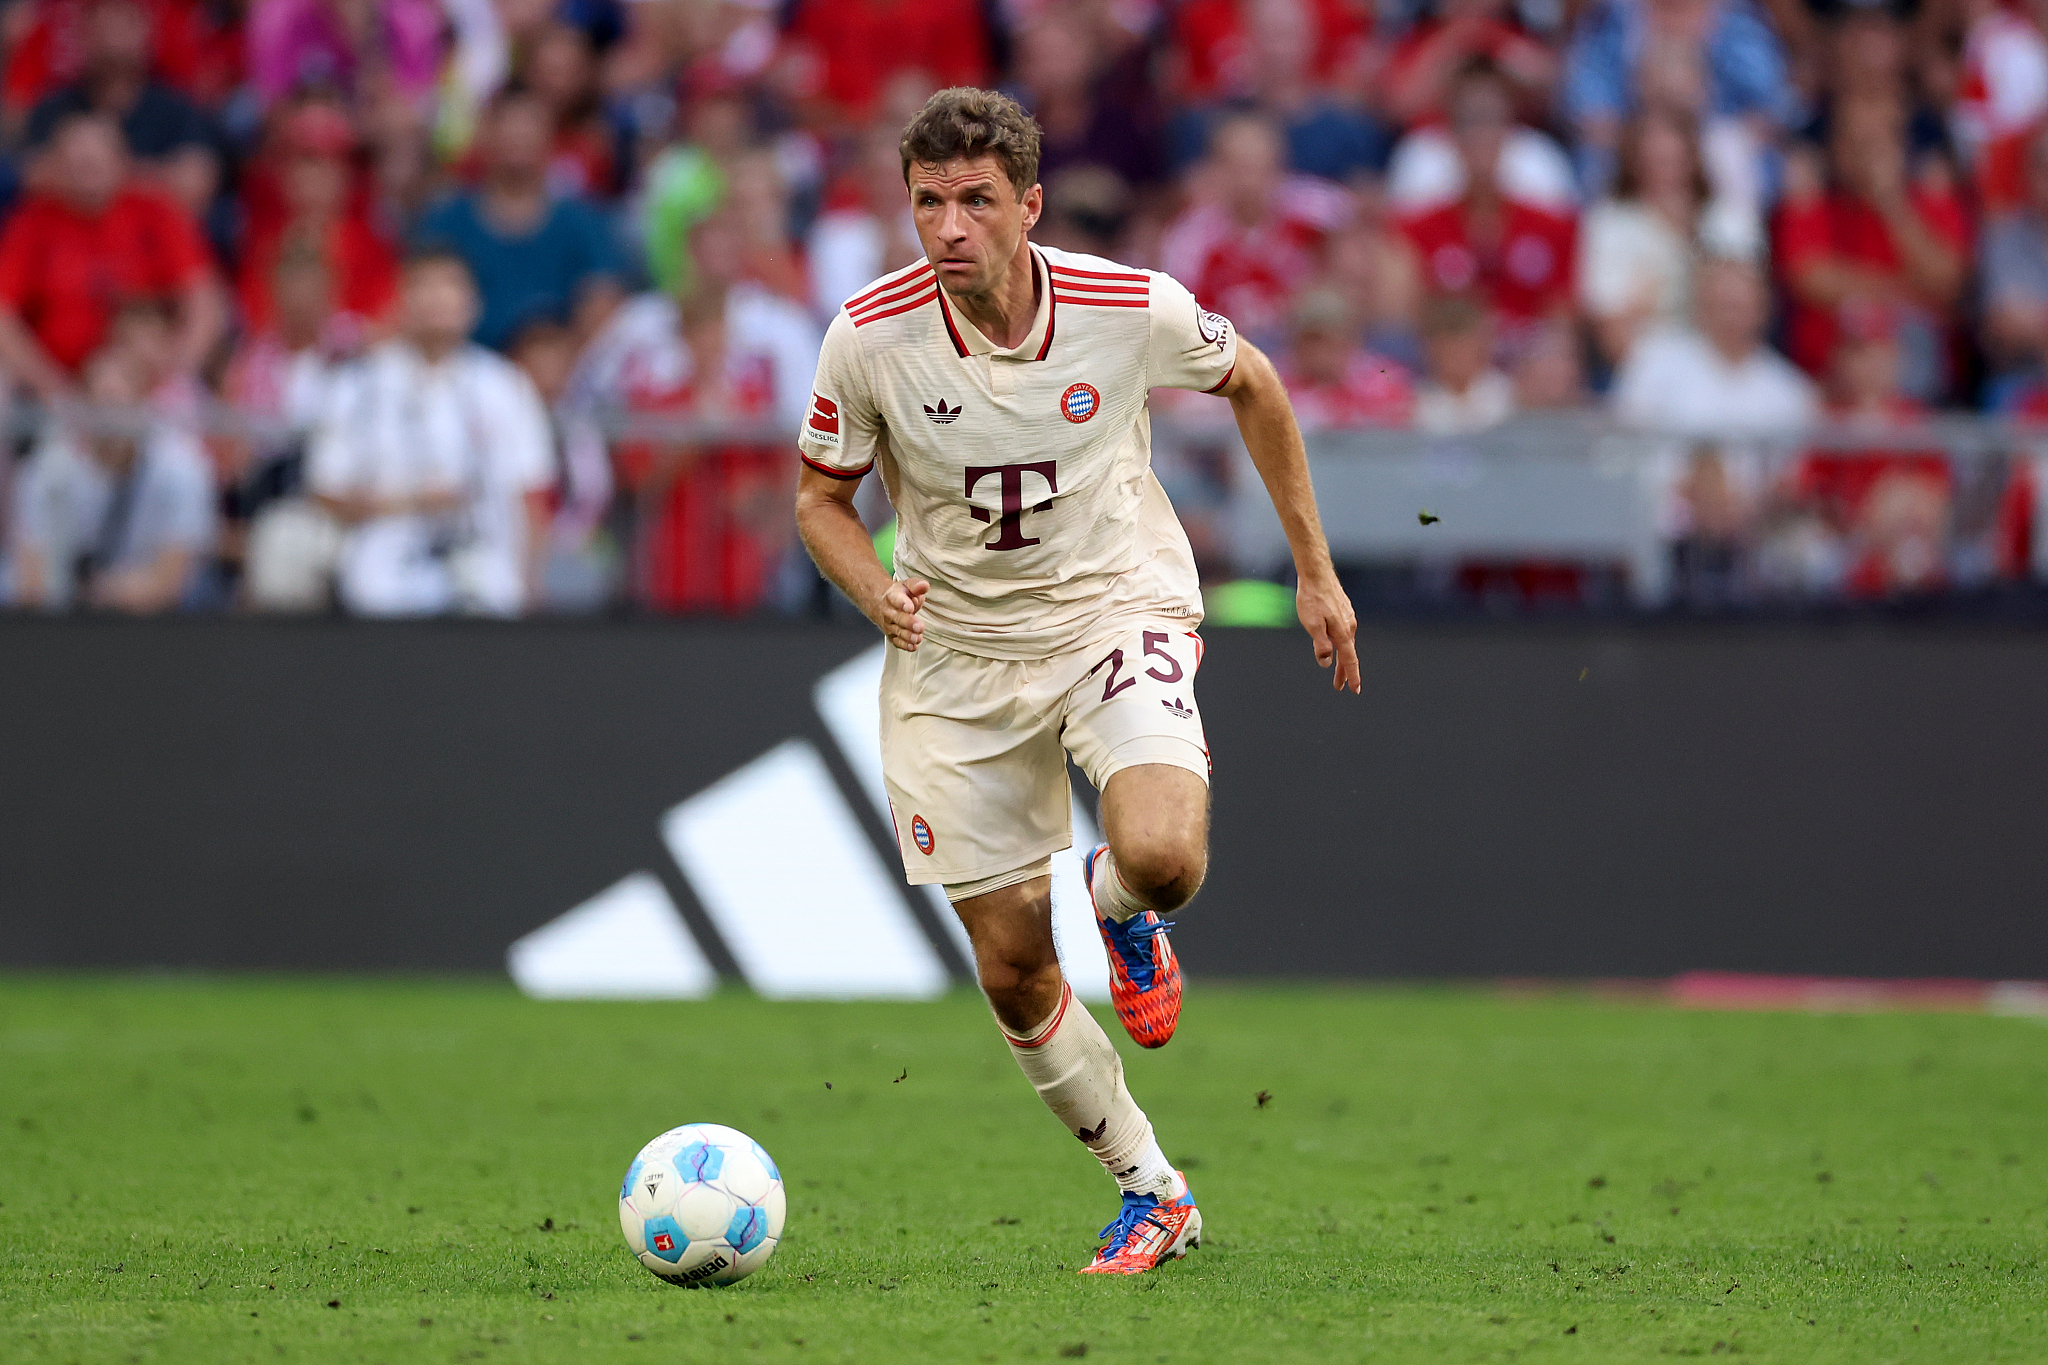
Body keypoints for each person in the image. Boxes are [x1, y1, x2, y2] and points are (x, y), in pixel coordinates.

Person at [793, 87, 1359, 1275]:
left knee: (1165, 856)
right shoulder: (867, 335)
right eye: (927, 203)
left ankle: (1121, 906)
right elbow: (819, 501)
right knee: (1010, 971)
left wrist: (1314, 572)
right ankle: (1153, 1192)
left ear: (1028, 206)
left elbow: (1252, 382)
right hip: (950, 656)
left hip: (1112, 607)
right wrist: (871, 586)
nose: (947, 228)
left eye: (974, 202)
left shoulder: (1126, 305)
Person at [306, 248, 555, 617]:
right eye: (424, 285)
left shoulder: (505, 385)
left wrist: (531, 581)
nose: (437, 298)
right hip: (383, 556)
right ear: (400, 299)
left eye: (450, 285)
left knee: (490, 590)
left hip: (483, 555)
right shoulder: (358, 383)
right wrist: (412, 503)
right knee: (374, 590)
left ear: (474, 303)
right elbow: (325, 489)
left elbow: (532, 492)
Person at [0, 111, 223, 401]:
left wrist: (168, 378)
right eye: (75, 164)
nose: (86, 175)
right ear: (54, 166)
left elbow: (205, 306)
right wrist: (54, 389)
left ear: (121, 161)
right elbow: (3, 317)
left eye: (95, 163)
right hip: (54, 387)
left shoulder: (155, 212)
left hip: (146, 378)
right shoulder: (31, 223)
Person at [413, 87, 626, 351]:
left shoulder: (583, 223)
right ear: (486, 134)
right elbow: (419, 302)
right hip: (463, 371)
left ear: (550, 136)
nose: (518, 135)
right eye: (508, 125)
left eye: (529, 126)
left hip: (562, 378)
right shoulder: (446, 221)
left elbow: (602, 307)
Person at [6, 344, 213, 611]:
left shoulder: (181, 469)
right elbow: (31, 579)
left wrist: (110, 591)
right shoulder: (47, 474)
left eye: (120, 401)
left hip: (156, 619)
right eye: (100, 400)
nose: (111, 417)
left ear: (144, 400)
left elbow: (171, 580)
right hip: (67, 615)